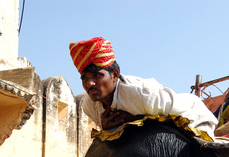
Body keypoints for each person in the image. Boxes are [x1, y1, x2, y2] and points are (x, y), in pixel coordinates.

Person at [69, 36, 218, 139]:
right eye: (85, 78)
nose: (89, 84)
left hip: (194, 121)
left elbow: (181, 119)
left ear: (114, 75)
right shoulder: (89, 106)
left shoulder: (143, 94)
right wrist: (104, 125)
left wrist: (139, 119)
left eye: (97, 76)